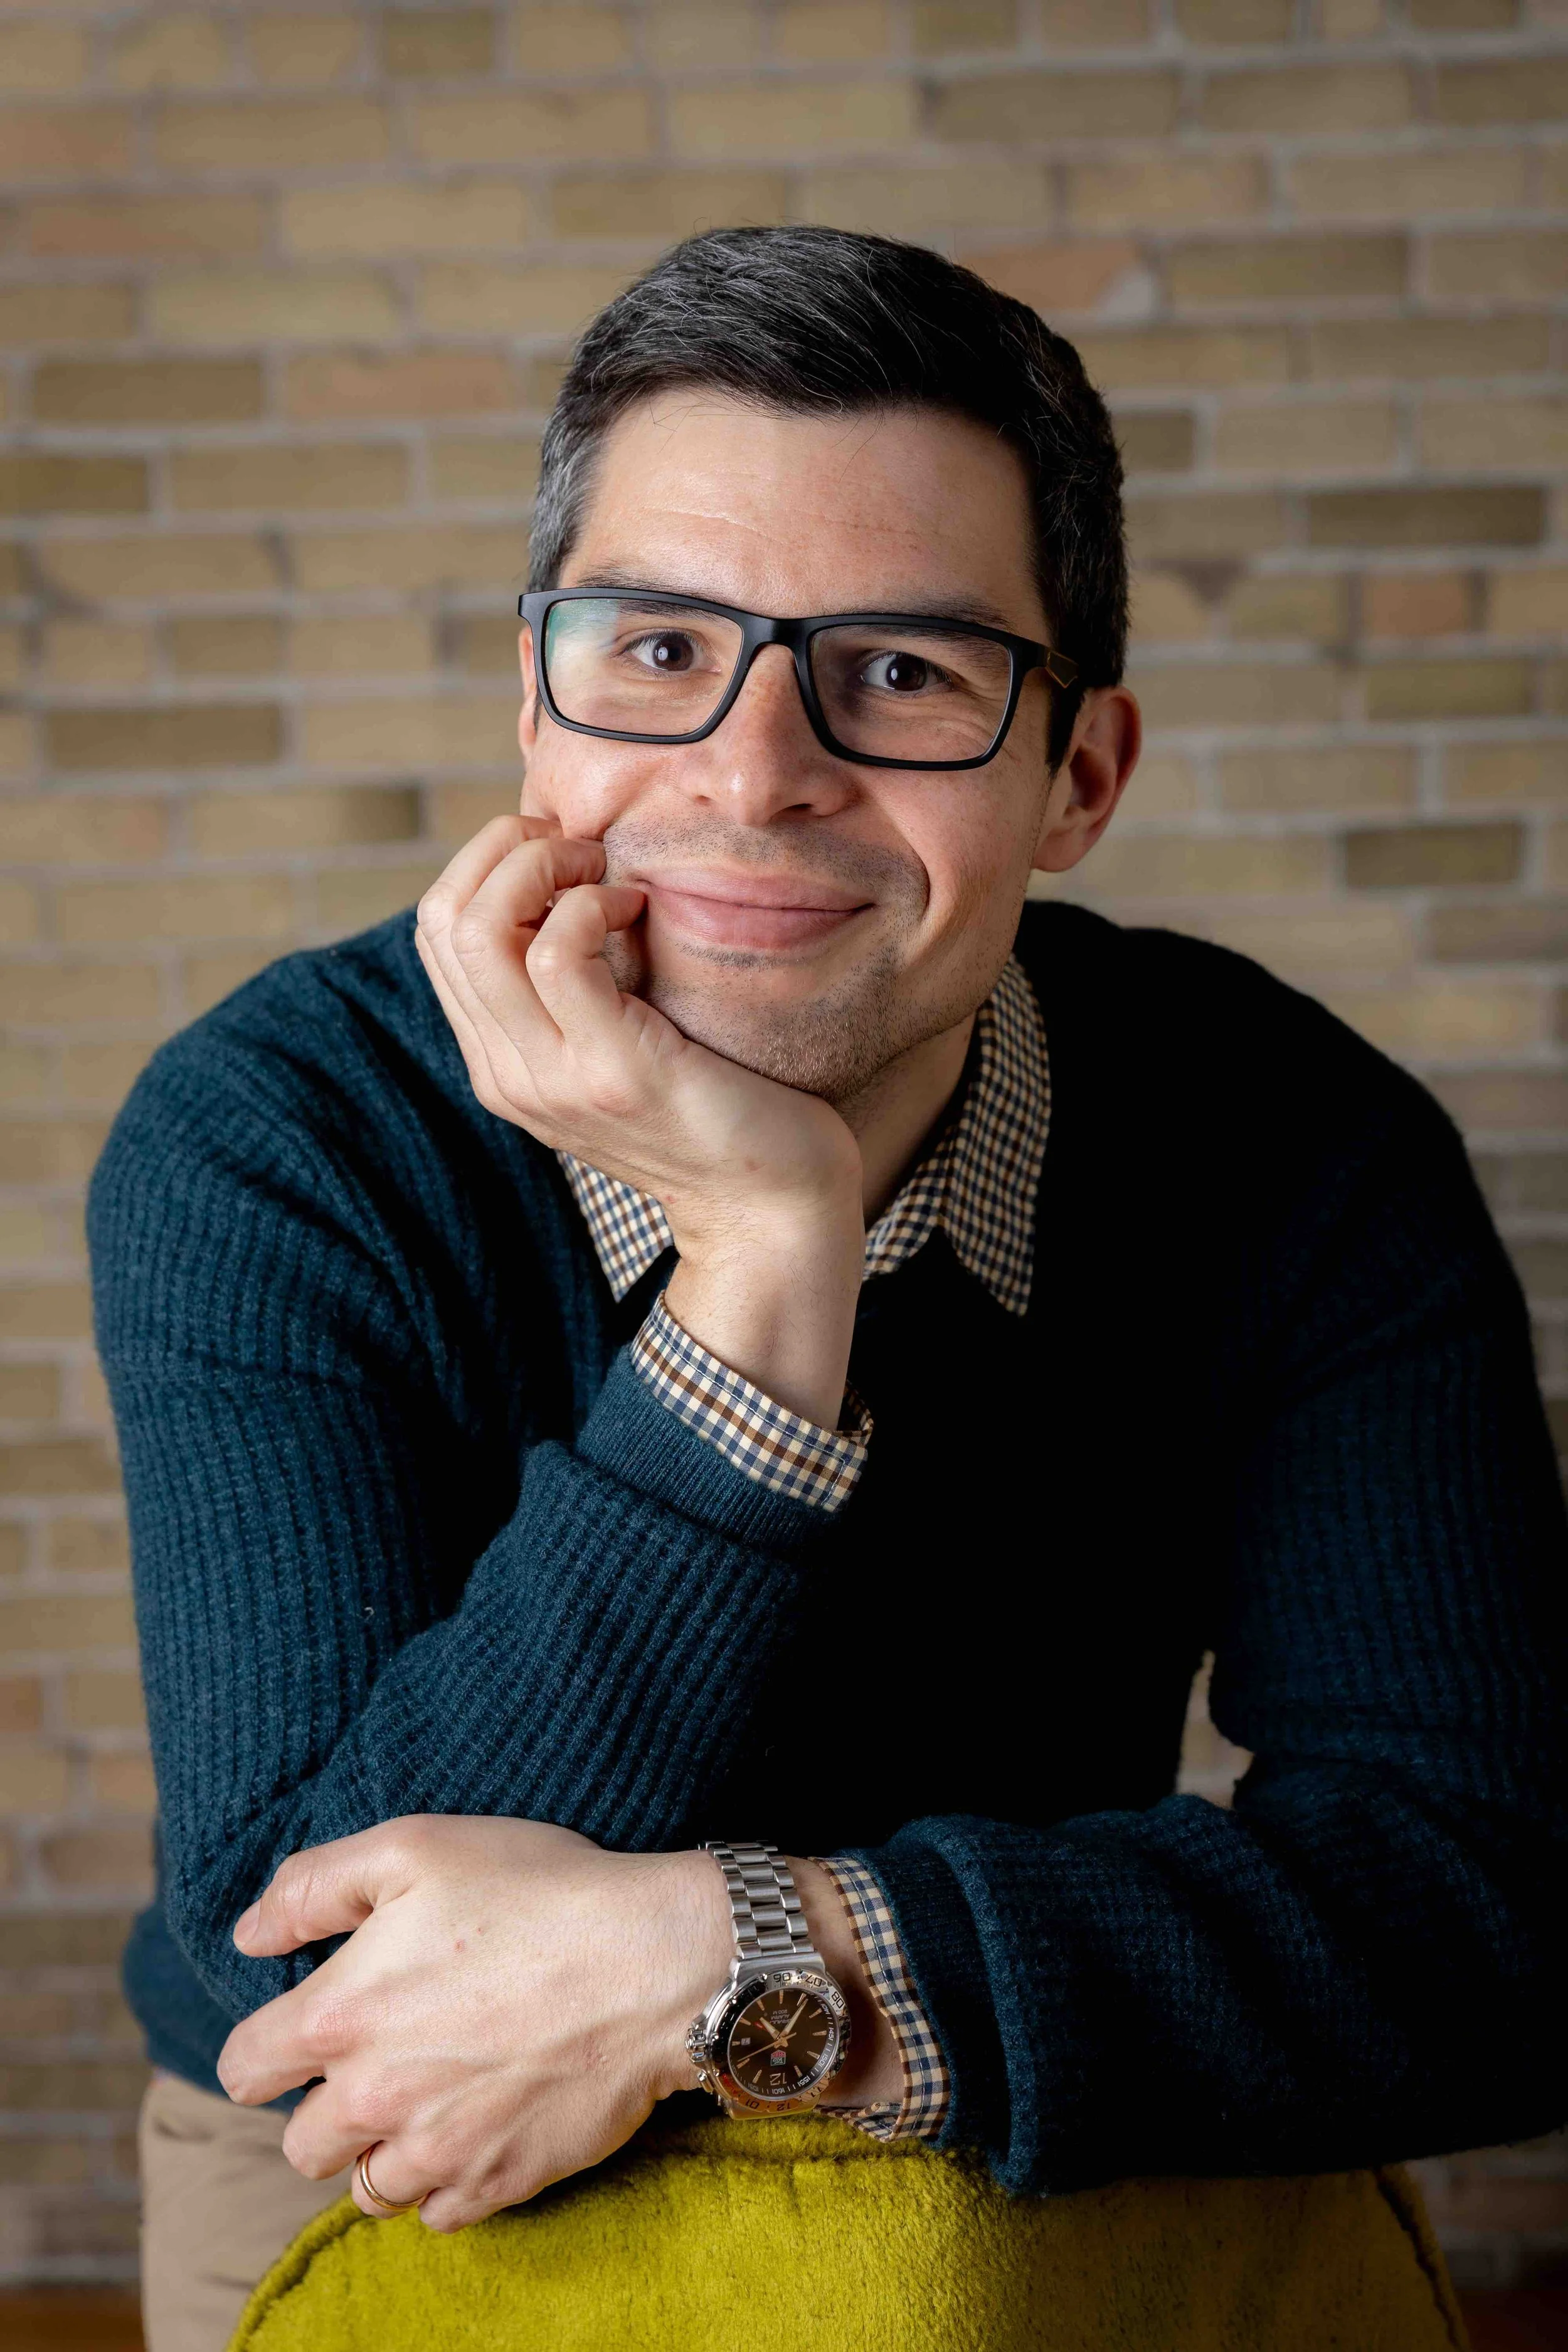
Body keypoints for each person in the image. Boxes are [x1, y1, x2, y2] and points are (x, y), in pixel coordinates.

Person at [90, 227, 1567, 2352]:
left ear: (1078, 777)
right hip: (392, 2159)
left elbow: (1496, 1912)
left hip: (1038, 2129)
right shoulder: (284, 1135)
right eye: (655, 645)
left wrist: (741, 1956)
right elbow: (313, 1983)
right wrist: (760, 1276)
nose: (753, 768)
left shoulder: (1294, 1146)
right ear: (536, 708)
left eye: (899, 670)